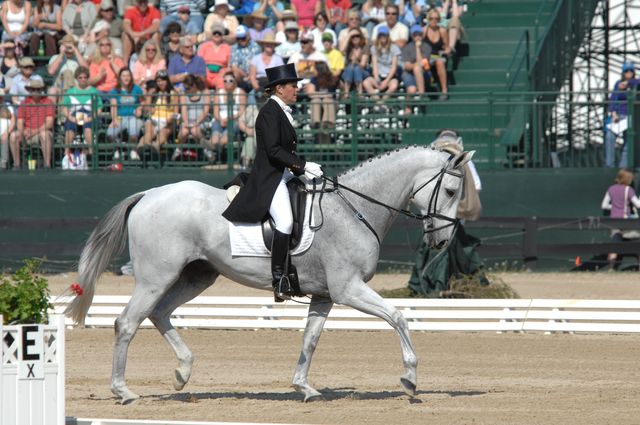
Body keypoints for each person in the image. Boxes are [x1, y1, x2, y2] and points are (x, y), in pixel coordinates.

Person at [222, 63, 323, 301]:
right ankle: (279, 279)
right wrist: (303, 166)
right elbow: (274, 151)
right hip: (270, 178)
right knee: (286, 222)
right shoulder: (268, 112)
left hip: (284, 174)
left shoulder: (281, 111)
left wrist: (303, 169)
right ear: (279, 88)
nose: (297, 89)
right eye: (293, 86)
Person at [408, 129, 486, 296]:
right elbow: (476, 186)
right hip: (455, 215)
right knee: (452, 248)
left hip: (433, 215)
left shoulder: (429, 158)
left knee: (434, 247)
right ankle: (445, 285)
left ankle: (431, 285)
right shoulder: (464, 160)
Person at [9, 79, 56, 168]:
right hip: (26, 133)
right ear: (29, 90)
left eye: (38, 89)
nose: (36, 91)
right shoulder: (24, 103)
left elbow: (49, 123)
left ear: (42, 90)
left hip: (41, 132)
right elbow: (20, 122)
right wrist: (23, 131)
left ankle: (47, 165)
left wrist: (34, 131)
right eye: (33, 89)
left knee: (44, 134)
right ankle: (16, 164)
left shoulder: (48, 102)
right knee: (13, 136)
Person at [62, 66, 102, 167]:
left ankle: (91, 152)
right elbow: (64, 108)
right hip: (74, 115)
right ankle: (66, 153)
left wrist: (90, 118)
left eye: (85, 77)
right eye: (80, 77)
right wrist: (71, 118)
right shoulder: (70, 92)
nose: (83, 79)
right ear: (77, 78)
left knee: (88, 128)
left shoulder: (94, 91)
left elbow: (99, 108)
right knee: (69, 128)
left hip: (89, 115)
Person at [601, 168, 640, 269]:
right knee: (637, 243)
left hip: (614, 222)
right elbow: (638, 205)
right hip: (626, 221)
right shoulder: (629, 190)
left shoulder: (611, 189)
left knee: (615, 245)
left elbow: (604, 206)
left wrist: (614, 207)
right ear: (627, 179)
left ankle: (611, 267)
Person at [604, 62, 640, 168]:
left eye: (630, 71)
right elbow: (613, 99)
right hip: (619, 115)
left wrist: (628, 83)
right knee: (609, 137)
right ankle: (609, 164)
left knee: (628, 142)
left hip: (631, 116)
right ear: (623, 73)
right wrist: (613, 114)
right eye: (626, 71)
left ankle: (623, 166)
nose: (629, 73)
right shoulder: (618, 84)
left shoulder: (636, 84)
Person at [107, 67, 144, 159]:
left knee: (133, 131)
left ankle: (133, 150)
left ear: (131, 77)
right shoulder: (115, 91)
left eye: (128, 75)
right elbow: (113, 106)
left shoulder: (136, 89)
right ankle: (117, 149)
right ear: (120, 78)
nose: (126, 78)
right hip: (120, 116)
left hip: (133, 116)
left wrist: (139, 109)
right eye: (123, 76)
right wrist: (114, 119)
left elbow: (143, 102)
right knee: (110, 133)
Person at [210, 70, 246, 160]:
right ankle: (215, 150)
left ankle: (213, 152)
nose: (228, 83)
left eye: (230, 80)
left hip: (235, 120)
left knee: (225, 137)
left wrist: (230, 118)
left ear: (235, 82)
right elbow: (216, 111)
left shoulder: (240, 92)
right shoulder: (219, 93)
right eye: (225, 81)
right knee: (215, 138)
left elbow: (242, 111)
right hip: (219, 120)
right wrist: (220, 119)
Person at [177, 74, 210, 158]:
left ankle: (207, 150)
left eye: (188, 88)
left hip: (202, 121)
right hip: (188, 121)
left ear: (194, 85)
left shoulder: (205, 92)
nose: (186, 90)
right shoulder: (184, 95)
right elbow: (184, 110)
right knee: (183, 132)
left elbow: (205, 110)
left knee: (195, 131)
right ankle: (178, 150)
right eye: (185, 88)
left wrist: (197, 122)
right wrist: (186, 122)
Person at [197, 22, 231, 89]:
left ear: (223, 35)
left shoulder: (227, 47)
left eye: (219, 33)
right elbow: (198, 63)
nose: (217, 35)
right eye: (215, 33)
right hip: (206, 73)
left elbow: (229, 66)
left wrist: (224, 72)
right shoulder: (204, 46)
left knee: (222, 83)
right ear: (211, 34)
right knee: (201, 81)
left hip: (220, 74)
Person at [424, 9, 449, 99]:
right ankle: (425, 90)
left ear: (439, 20)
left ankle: (444, 90)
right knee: (424, 63)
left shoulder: (442, 31)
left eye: (436, 18)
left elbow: (446, 46)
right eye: (431, 18)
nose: (433, 20)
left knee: (440, 62)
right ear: (428, 19)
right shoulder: (424, 30)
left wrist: (446, 51)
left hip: (438, 55)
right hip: (427, 56)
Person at [231, 25, 261, 93]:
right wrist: (246, 75)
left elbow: (258, 64)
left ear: (248, 36)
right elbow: (234, 67)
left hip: (255, 75)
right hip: (241, 77)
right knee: (235, 74)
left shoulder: (256, 47)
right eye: (238, 39)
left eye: (243, 38)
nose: (241, 41)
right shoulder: (234, 48)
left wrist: (251, 75)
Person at [0, 105, 16, 169]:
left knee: (4, 139)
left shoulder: (8, 107)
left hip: (5, 134)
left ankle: (3, 162)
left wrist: (6, 133)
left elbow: (13, 123)